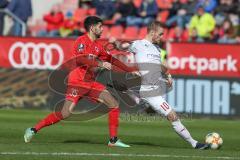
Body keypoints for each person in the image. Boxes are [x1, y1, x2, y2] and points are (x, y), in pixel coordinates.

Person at [24, 16, 137, 147]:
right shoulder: (81, 41)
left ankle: (113, 140)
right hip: (77, 82)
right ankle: (33, 129)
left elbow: (112, 60)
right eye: (100, 27)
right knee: (65, 113)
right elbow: (80, 60)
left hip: (90, 83)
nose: (102, 29)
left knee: (113, 104)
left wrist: (129, 70)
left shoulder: (98, 47)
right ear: (92, 28)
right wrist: (100, 63)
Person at [123, 21, 210, 149]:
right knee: (172, 116)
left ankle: (140, 101)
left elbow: (160, 66)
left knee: (165, 111)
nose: (162, 37)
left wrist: (167, 75)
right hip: (149, 91)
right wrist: (117, 44)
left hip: (156, 87)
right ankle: (194, 143)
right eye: (160, 34)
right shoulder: (138, 44)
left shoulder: (157, 49)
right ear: (152, 33)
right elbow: (123, 46)